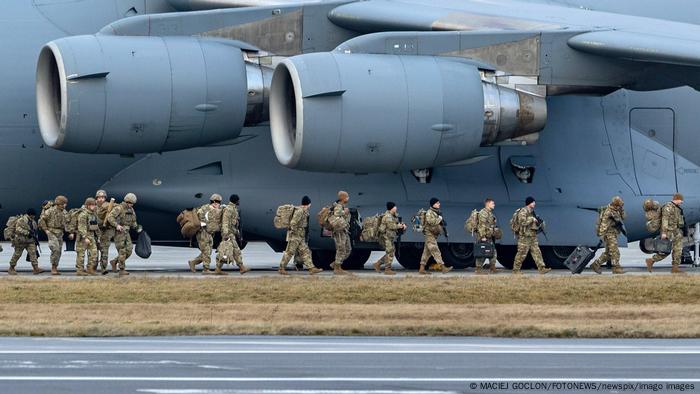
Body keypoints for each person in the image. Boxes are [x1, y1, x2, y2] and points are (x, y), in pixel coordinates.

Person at [278, 196, 323, 275]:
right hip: (295, 236)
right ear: (308, 204)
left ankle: (311, 268)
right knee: (289, 252)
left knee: (305, 251)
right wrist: (295, 232)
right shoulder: (300, 211)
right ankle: (281, 268)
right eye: (310, 204)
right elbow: (293, 223)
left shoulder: (304, 211)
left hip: (300, 236)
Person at [646, 193, 686, 274]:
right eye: (681, 200)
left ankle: (675, 268)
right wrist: (664, 233)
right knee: (665, 251)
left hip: (676, 231)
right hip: (669, 232)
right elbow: (665, 220)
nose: (682, 202)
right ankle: (651, 260)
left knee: (678, 250)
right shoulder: (668, 207)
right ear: (677, 199)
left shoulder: (676, 208)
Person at [512, 197, 551, 275]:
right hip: (524, 237)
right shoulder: (523, 211)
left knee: (537, 252)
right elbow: (522, 222)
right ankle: (516, 270)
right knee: (521, 253)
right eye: (533, 202)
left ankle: (542, 268)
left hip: (532, 236)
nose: (534, 203)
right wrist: (532, 219)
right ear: (529, 203)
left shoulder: (532, 212)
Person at [216, 194, 250, 275]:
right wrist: (225, 234)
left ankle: (241, 267)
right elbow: (225, 222)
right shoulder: (229, 209)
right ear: (236, 200)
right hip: (228, 234)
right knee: (232, 251)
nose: (239, 202)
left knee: (229, 251)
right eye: (238, 200)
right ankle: (241, 267)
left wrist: (237, 232)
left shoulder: (233, 209)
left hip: (232, 233)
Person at [590, 196, 626, 274]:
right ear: (615, 204)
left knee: (609, 253)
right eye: (619, 205)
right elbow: (604, 224)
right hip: (609, 234)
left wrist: (622, 210)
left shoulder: (617, 210)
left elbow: (624, 217)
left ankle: (596, 264)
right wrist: (602, 235)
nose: (620, 206)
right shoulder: (608, 211)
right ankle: (616, 268)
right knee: (615, 252)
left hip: (614, 233)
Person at [188, 194, 223, 274]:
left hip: (209, 234)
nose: (218, 204)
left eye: (219, 202)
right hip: (203, 233)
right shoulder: (204, 209)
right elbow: (200, 221)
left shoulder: (216, 209)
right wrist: (207, 226)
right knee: (206, 251)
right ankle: (206, 269)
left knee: (208, 251)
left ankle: (193, 262)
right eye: (217, 202)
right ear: (213, 201)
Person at [106, 193, 139, 276]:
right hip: (119, 233)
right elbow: (110, 217)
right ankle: (122, 269)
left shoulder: (131, 210)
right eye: (129, 203)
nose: (131, 205)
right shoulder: (119, 208)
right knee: (122, 250)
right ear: (126, 201)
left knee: (129, 250)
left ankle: (114, 261)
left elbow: (133, 221)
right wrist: (116, 225)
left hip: (126, 232)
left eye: (132, 203)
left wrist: (137, 227)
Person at [418, 198, 453, 275]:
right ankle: (443, 267)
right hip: (429, 234)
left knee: (426, 252)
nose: (439, 204)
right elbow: (431, 222)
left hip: (433, 234)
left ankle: (422, 268)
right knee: (435, 249)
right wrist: (439, 219)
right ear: (433, 204)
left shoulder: (436, 212)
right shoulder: (430, 213)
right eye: (437, 203)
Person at [372, 201, 406, 275]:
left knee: (391, 251)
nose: (396, 208)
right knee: (390, 252)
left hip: (389, 237)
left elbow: (396, 223)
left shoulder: (393, 216)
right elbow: (391, 226)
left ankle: (377, 264)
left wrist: (402, 225)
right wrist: (399, 226)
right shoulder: (387, 216)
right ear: (392, 208)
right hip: (385, 237)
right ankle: (387, 269)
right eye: (395, 206)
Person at [8, 209, 44, 275]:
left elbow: (35, 231)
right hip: (21, 240)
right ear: (30, 215)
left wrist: (35, 239)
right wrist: (27, 232)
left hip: (30, 241)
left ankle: (36, 268)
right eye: (33, 215)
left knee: (33, 254)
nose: (34, 217)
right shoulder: (21, 220)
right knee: (17, 254)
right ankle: (11, 268)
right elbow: (18, 229)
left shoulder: (33, 222)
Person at [39, 195, 69, 275]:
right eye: (63, 204)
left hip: (60, 233)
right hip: (51, 232)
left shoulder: (64, 212)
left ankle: (55, 266)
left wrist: (70, 231)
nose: (65, 205)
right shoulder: (50, 211)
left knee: (58, 251)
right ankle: (53, 268)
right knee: (55, 249)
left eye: (65, 204)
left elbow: (67, 222)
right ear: (59, 204)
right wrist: (46, 230)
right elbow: (42, 220)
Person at [474, 198, 500, 274]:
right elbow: (481, 226)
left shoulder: (490, 213)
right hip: (483, 236)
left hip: (489, 236)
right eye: (492, 203)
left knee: (492, 251)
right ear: (487, 204)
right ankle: (478, 269)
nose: (494, 205)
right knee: (482, 252)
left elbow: (489, 224)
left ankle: (492, 268)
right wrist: (483, 237)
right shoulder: (483, 213)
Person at [75, 198, 100, 276]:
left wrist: (98, 236)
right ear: (88, 205)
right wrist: (85, 237)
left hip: (91, 235)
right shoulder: (83, 214)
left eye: (94, 205)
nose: (94, 206)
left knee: (94, 253)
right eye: (92, 205)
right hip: (83, 237)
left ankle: (90, 269)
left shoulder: (93, 214)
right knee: (81, 254)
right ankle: (80, 270)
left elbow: (95, 225)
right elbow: (81, 227)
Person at [331, 191, 352, 275]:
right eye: (347, 197)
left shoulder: (342, 206)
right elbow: (336, 215)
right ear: (343, 198)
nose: (348, 198)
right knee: (341, 249)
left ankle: (336, 263)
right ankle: (337, 268)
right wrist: (344, 212)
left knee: (348, 249)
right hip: (339, 230)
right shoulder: (338, 206)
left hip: (344, 230)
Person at [96, 190, 115, 273]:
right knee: (94, 251)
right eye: (99, 197)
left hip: (105, 231)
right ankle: (93, 267)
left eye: (103, 197)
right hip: (95, 231)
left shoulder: (109, 205)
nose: (101, 199)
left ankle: (103, 268)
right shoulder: (92, 205)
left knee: (104, 250)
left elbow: (117, 209)